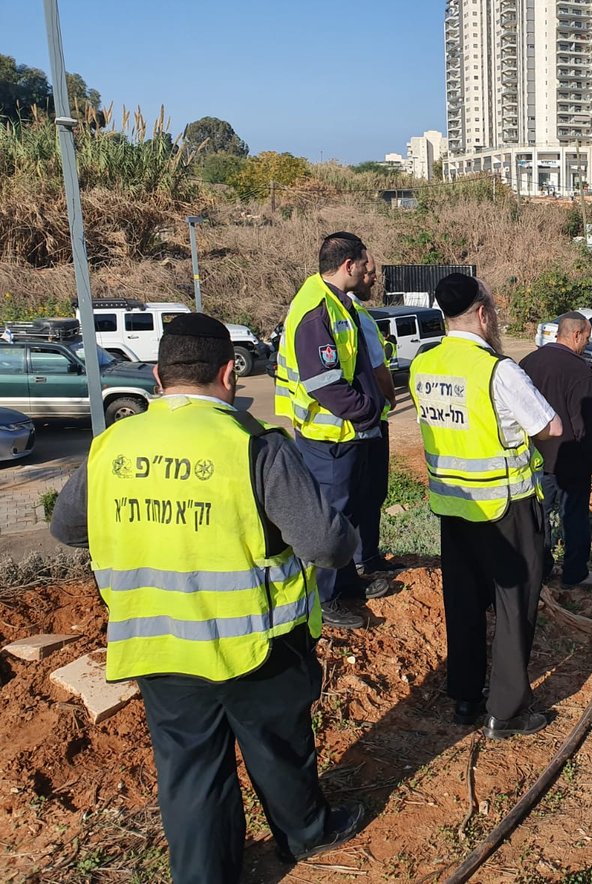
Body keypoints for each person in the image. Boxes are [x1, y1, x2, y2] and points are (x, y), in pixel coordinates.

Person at [49, 314, 364, 883]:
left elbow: (69, 529)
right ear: (227, 374)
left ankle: (204, 872)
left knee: (189, 766)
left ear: (157, 376)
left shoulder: (112, 445)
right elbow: (324, 543)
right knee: (277, 747)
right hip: (256, 645)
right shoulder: (252, 444)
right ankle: (306, 835)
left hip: (158, 640)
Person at [410, 273, 564, 738]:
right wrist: (541, 460)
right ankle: (508, 710)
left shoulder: (425, 365)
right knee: (514, 607)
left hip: (454, 506)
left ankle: (465, 698)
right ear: (483, 313)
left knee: (463, 604)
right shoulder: (498, 370)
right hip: (506, 508)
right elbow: (550, 428)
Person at [275, 232, 386, 630]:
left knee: (347, 513)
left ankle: (346, 581)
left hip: (344, 435)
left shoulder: (336, 303)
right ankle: (326, 599)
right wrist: (366, 412)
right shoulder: (316, 309)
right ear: (348, 265)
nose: (369, 271)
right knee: (329, 516)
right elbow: (324, 383)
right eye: (365, 264)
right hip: (328, 437)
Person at [520, 311, 592, 589]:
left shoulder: (528, 363)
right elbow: (585, 426)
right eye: (586, 337)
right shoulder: (580, 371)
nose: (587, 343)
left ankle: (540, 569)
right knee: (573, 517)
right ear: (576, 335)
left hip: (534, 458)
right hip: (571, 461)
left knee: (538, 517)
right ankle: (575, 573)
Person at [348, 251, 404, 577]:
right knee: (370, 492)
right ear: (353, 270)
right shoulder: (357, 315)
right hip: (368, 418)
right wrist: (390, 397)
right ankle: (365, 560)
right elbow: (378, 367)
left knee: (358, 493)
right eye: (370, 272)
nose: (374, 278)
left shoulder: (331, 311)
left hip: (348, 419)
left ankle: (361, 558)